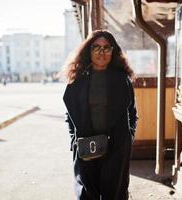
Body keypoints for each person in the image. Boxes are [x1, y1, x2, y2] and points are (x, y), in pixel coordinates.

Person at [62, 30, 138, 200]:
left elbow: (132, 113)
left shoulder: (122, 79)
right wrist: (73, 140)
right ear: (88, 51)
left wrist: (128, 138)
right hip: (85, 144)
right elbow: (70, 114)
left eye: (106, 48)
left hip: (116, 146)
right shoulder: (77, 79)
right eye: (96, 48)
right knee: (87, 192)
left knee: (114, 192)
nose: (101, 53)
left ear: (113, 51)